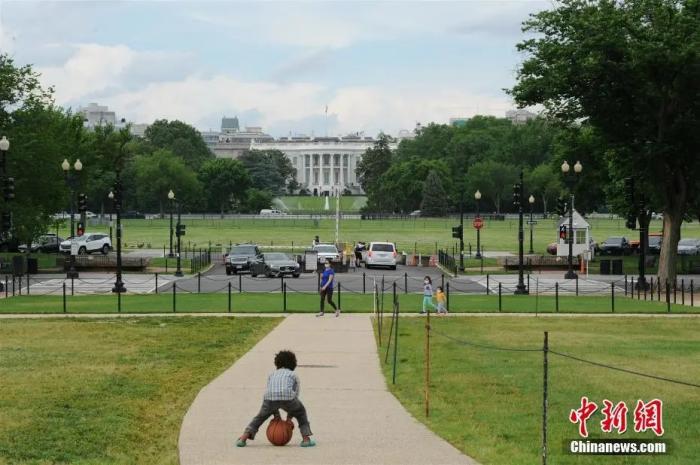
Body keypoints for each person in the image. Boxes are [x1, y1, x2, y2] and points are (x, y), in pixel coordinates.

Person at [236, 350, 315, 448]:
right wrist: (289, 418)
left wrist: (275, 414)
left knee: (259, 418)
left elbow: (271, 392)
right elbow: (295, 395)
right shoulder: (293, 375)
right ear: (293, 364)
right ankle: (306, 439)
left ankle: (243, 438)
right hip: (288, 398)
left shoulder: (272, 374)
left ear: (276, 363)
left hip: (269, 399)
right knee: (301, 413)